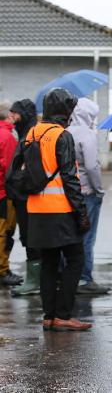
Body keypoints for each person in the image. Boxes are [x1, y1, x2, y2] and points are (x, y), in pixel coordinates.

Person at [26, 89, 92, 331]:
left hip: (36, 208)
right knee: (76, 260)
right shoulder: (61, 136)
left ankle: (48, 316)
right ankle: (63, 314)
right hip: (60, 210)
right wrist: (81, 213)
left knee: (49, 263)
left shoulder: (32, 133)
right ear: (65, 111)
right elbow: (70, 178)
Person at [66, 98, 109, 295]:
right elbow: (92, 166)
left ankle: (67, 275)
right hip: (87, 191)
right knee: (87, 236)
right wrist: (99, 191)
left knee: (70, 235)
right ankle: (84, 278)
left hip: (68, 191)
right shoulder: (87, 135)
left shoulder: (65, 132)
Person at [7, 99, 40, 296]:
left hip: (26, 196)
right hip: (21, 196)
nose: (12, 116)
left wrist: (15, 179)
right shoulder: (23, 133)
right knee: (28, 237)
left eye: (15, 113)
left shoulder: (30, 135)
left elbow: (30, 168)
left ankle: (34, 281)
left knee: (31, 237)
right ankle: (33, 279)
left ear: (24, 114)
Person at [0, 103, 21, 286]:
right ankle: (2, 270)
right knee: (4, 232)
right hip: (4, 193)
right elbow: (10, 169)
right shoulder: (7, 137)